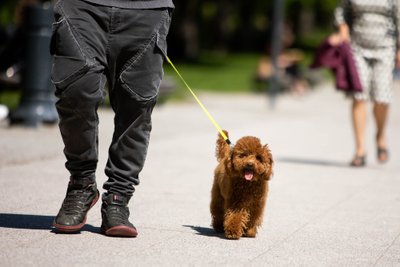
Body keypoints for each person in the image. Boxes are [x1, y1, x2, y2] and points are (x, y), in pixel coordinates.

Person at [51, 0, 174, 237]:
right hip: (81, 6)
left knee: (136, 106)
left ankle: (118, 198)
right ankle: (81, 184)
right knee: (75, 92)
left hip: (148, 9)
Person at [334, 0, 400, 167]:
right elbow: (342, 11)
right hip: (357, 47)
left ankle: (380, 136)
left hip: (386, 47)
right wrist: (342, 27)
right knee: (359, 96)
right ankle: (360, 149)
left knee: (382, 98)